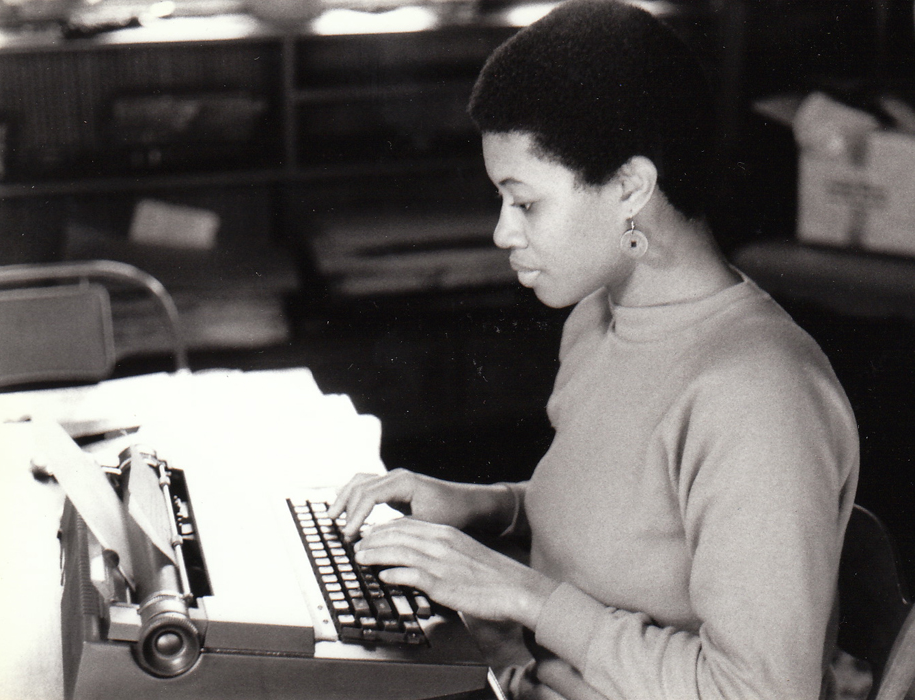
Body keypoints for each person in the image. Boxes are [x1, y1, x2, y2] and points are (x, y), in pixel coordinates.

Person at [328, 1, 861, 698]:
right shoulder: (596, 318)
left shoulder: (759, 397)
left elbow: (759, 691)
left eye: (524, 202)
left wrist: (525, 596)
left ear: (630, 187)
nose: (500, 233)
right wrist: (483, 506)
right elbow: (628, 524)